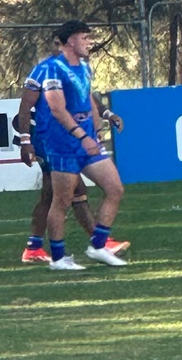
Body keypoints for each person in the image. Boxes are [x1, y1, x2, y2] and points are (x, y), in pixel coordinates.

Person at [18, 49, 129, 263]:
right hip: (52, 139)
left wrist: (105, 114)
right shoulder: (45, 70)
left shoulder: (81, 69)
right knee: (68, 192)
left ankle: (36, 245)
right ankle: (96, 242)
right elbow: (26, 107)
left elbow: (85, 96)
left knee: (56, 193)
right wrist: (25, 140)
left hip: (76, 139)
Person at [40, 20, 127, 270]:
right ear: (70, 41)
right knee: (62, 201)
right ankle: (58, 258)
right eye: (84, 38)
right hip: (63, 143)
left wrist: (97, 129)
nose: (89, 42)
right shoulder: (54, 69)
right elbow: (56, 108)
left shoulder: (85, 68)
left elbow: (88, 99)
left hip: (88, 141)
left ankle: (98, 246)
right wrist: (82, 135)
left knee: (115, 188)